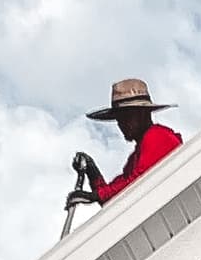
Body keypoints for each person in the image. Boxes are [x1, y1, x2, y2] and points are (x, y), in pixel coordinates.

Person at [72, 77, 181, 205]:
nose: (121, 124)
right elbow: (112, 199)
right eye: (119, 119)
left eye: (127, 117)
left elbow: (138, 182)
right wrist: (92, 171)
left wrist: (96, 195)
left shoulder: (158, 136)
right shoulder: (134, 159)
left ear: (143, 114)